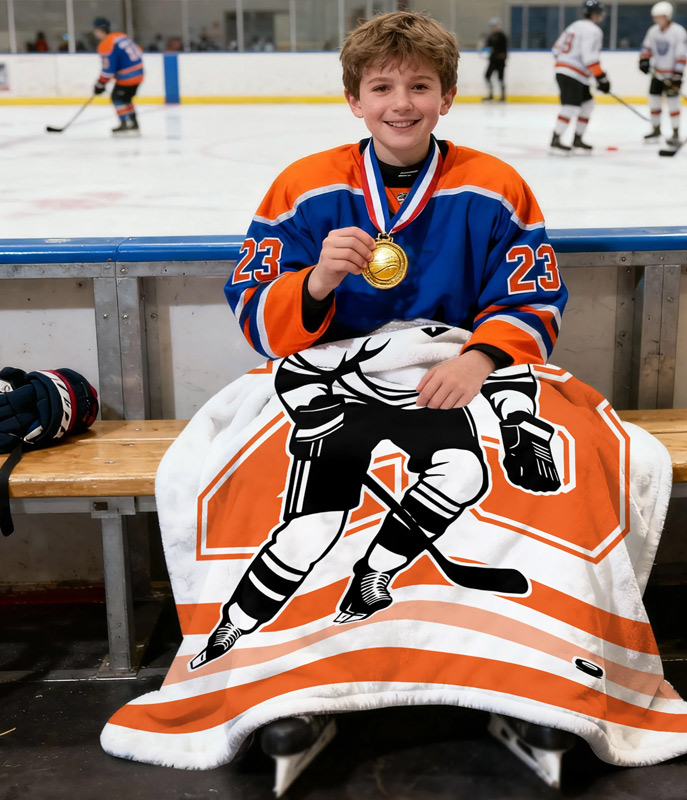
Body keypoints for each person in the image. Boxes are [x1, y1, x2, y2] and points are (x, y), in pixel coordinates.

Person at [210, 9, 568, 757]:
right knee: (295, 518)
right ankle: (268, 661)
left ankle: (522, 665)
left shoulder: (495, 186)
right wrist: (312, 284)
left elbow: (532, 298)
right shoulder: (304, 188)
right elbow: (253, 312)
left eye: (419, 85)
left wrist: (479, 361)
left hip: (444, 379)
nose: (401, 102)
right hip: (332, 381)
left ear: (448, 96)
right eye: (382, 87)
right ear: (354, 100)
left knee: (497, 477)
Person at [550, 0, 611, 153]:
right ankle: (555, 140)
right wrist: (601, 78)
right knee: (570, 107)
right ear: (596, 14)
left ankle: (578, 139)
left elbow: (556, 50)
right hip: (572, 74)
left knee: (588, 104)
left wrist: (570, 66)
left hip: (568, 72)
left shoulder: (574, 26)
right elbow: (589, 57)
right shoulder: (593, 30)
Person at [639, 1, 687, 146]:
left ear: (667, 16)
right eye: (655, 17)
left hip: (672, 74)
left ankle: (675, 132)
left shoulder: (678, 31)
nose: (657, 20)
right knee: (654, 101)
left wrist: (678, 75)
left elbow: (682, 54)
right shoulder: (653, 31)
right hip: (657, 73)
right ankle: (656, 129)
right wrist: (644, 61)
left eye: (660, 17)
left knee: (673, 104)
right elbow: (646, 48)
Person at [91, 17, 144, 136]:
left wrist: (100, 84)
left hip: (127, 77)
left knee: (117, 98)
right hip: (139, 73)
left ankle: (124, 123)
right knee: (126, 98)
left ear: (99, 30)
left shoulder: (106, 44)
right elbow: (138, 50)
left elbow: (108, 70)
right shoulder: (120, 36)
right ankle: (134, 122)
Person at [482, 17, 508, 102]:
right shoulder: (491, 36)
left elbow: (505, 49)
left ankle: (503, 96)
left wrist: (503, 56)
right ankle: (491, 94)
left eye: (495, 25)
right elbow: (488, 46)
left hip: (500, 61)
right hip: (493, 60)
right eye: (493, 26)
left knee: (500, 78)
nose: (494, 27)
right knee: (487, 76)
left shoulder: (502, 36)